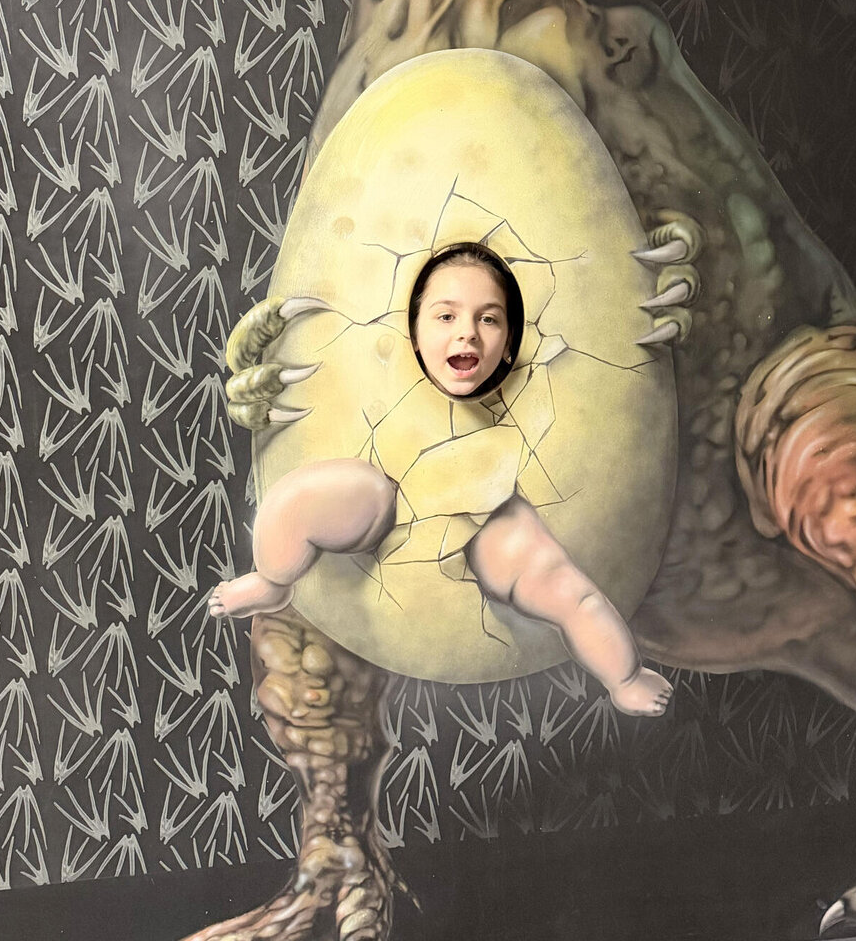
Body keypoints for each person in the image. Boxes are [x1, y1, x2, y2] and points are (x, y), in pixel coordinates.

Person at [209, 244, 673, 717]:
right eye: (446, 317)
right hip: (384, 493)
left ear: (509, 343)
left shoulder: (525, 392)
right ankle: (271, 581)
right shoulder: (382, 366)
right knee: (298, 502)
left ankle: (624, 675)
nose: (467, 332)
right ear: (414, 333)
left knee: (560, 583)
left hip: (481, 509)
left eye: (488, 319)